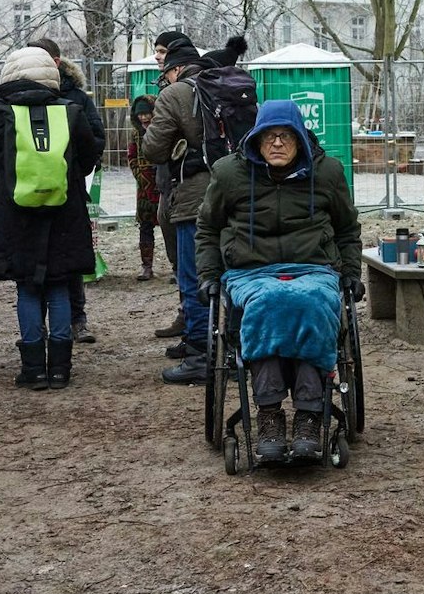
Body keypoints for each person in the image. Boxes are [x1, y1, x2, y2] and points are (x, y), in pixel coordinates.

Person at [197, 100, 362, 462]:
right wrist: (209, 276)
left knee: (312, 302)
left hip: (314, 269)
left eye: (286, 136)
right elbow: (208, 228)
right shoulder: (229, 174)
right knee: (268, 302)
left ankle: (307, 415)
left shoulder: (328, 172)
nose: (276, 144)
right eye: (269, 136)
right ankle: (269, 414)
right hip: (250, 272)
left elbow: (348, 230)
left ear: (301, 139)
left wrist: (351, 273)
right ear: (255, 140)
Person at [0, 47, 102, 390]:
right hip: (64, 212)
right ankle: (60, 369)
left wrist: (6, 181)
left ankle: (33, 369)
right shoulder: (71, 112)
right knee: (59, 285)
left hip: (15, 215)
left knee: (27, 288)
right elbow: (89, 156)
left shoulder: (0, 113)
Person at [28, 37, 106, 343]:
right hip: (30, 193)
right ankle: (37, 327)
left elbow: (96, 139)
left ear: (56, 63)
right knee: (34, 264)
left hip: (68, 191)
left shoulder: (77, 98)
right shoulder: (17, 98)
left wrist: (75, 169)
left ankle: (77, 319)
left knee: (70, 260)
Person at [143, 38, 210, 382]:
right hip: (235, 193)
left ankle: (200, 354)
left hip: (192, 198)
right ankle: (235, 350)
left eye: (165, 72)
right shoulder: (225, 84)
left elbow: (153, 148)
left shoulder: (175, 93)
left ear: (177, 69)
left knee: (193, 275)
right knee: (234, 275)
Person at [129, 94, 160, 281]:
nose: (143, 118)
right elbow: (131, 156)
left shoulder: (165, 131)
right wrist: (140, 175)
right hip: (144, 187)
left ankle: (177, 266)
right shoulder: (135, 134)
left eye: (147, 113)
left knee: (169, 226)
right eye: (140, 115)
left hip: (164, 185)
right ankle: (146, 266)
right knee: (145, 226)